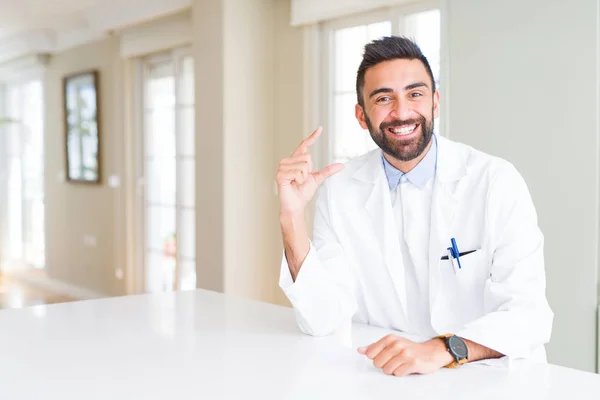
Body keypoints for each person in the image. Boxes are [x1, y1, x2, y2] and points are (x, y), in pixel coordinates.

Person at [276, 36, 553, 377]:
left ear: (435, 102)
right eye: (383, 98)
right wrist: (291, 218)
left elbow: (529, 315)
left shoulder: (495, 182)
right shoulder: (339, 190)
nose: (402, 111)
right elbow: (322, 319)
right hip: (390, 381)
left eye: (415, 93)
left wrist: (441, 349)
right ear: (362, 116)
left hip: (491, 379)